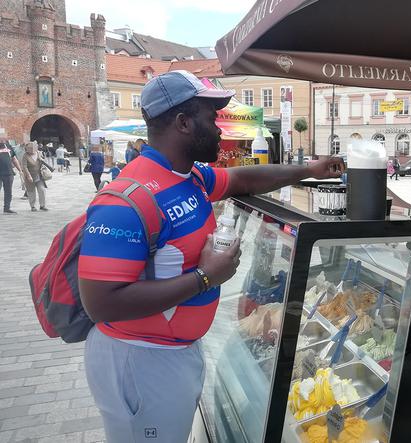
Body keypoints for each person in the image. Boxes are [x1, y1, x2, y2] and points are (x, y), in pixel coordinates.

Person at [78, 70, 344, 443]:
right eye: (210, 117)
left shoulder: (191, 178)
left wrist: (308, 169)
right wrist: (205, 277)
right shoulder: (124, 201)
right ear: (183, 123)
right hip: (139, 361)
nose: (219, 127)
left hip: (175, 353)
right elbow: (100, 304)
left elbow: (243, 180)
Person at [21, 141, 50, 211]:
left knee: (42, 190)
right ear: (27, 149)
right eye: (30, 148)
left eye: (33, 148)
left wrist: (42, 160)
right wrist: (28, 176)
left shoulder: (39, 153)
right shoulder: (25, 155)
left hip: (39, 176)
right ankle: (33, 206)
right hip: (29, 176)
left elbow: (44, 162)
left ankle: (42, 205)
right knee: (31, 192)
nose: (32, 150)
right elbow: (24, 167)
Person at [0, 141, 23, 214]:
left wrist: (20, 170)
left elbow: (14, 159)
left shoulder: (8, 145)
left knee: (8, 192)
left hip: (9, 173)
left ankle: (7, 208)